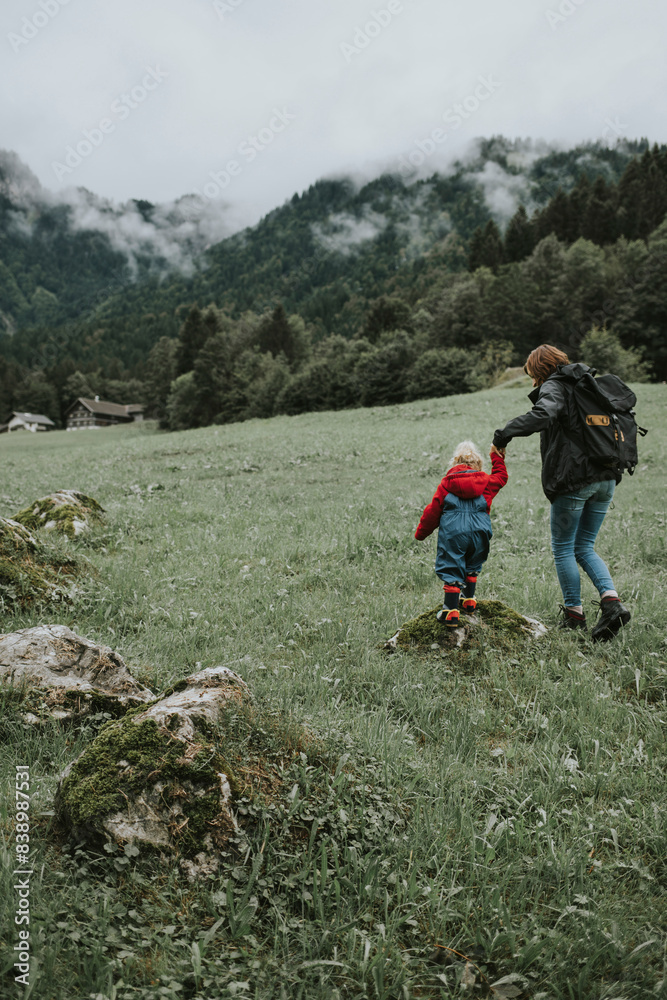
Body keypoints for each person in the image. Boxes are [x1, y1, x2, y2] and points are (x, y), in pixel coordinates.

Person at [492, 344, 631, 641]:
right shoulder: (586, 386)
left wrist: (504, 434)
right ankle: (612, 604)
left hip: (575, 481)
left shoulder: (555, 386)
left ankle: (574, 615)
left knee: (564, 547)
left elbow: (543, 414)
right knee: (585, 546)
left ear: (538, 370)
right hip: (606, 478)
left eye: (531, 373)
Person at [415, 440, 508, 627]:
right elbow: (501, 476)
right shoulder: (487, 483)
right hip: (480, 530)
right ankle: (469, 600)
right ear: (478, 464)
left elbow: (433, 511)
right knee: (473, 561)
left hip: (454, 532)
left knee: (452, 564)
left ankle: (450, 611)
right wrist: (497, 456)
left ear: (454, 464)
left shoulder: (446, 485)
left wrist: (421, 533)